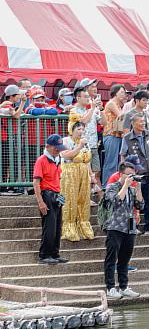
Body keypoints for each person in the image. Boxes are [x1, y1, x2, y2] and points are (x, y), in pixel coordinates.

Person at [103, 161, 143, 299]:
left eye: (133, 175)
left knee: (125, 259)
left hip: (130, 227)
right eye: (129, 175)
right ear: (121, 174)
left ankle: (124, 286)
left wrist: (138, 189)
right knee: (111, 258)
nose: (131, 177)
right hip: (115, 226)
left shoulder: (132, 189)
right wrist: (125, 185)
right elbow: (115, 201)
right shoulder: (112, 187)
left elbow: (140, 205)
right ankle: (110, 287)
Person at [120, 112, 149, 235]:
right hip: (135, 175)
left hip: (148, 171)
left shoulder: (148, 134)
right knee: (133, 201)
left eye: (144, 121)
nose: (143, 124)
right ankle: (133, 226)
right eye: (140, 122)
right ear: (133, 123)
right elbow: (123, 155)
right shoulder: (127, 137)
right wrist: (123, 172)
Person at [33, 135, 68, 264]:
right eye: (56, 148)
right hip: (46, 194)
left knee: (57, 226)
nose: (58, 150)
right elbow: (36, 183)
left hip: (56, 193)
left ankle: (54, 253)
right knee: (49, 226)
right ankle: (44, 254)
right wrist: (40, 202)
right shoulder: (41, 160)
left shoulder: (58, 160)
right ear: (48, 146)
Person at [60, 121, 95, 242]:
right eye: (78, 129)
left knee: (83, 200)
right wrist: (79, 146)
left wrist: (92, 175)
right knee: (70, 199)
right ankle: (69, 227)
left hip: (83, 173)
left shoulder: (85, 142)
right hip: (69, 173)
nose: (81, 131)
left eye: (82, 129)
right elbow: (66, 155)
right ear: (72, 129)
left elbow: (87, 161)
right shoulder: (65, 141)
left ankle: (83, 226)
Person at [68, 87, 102, 193]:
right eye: (86, 96)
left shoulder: (91, 109)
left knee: (97, 172)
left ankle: (97, 195)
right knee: (84, 172)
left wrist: (101, 109)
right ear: (78, 98)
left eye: (89, 96)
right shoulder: (73, 110)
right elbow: (83, 121)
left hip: (93, 144)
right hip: (80, 146)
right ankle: (86, 196)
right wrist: (92, 108)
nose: (88, 99)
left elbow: (104, 123)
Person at [102, 85, 128, 186]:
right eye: (121, 92)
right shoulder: (112, 103)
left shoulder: (118, 104)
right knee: (111, 162)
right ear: (115, 93)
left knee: (117, 161)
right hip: (111, 134)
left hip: (117, 135)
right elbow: (121, 115)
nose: (124, 95)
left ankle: (113, 183)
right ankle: (107, 184)